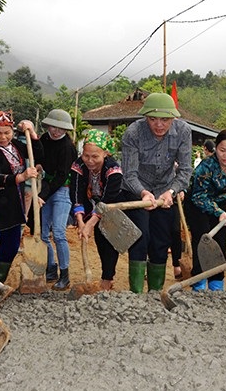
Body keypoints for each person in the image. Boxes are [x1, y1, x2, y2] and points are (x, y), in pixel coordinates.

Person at [120, 93, 192, 293]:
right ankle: (136, 294)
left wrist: (172, 191)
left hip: (165, 191)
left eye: (165, 120)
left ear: (173, 118)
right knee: (140, 237)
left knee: (161, 241)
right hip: (137, 190)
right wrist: (143, 193)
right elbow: (129, 174)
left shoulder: (184, 131)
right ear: (146, 118)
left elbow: (185, 170)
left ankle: (154, 293)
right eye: (153, 119)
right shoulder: (133, 133)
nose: (159, 125)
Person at [0, 111, 42, 288]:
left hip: (11, 203)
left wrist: (32, 133)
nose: (3, 137)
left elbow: (39, 154)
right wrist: (21, 177)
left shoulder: (17, 145)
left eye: (7, 132)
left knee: (10, 245)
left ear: (12, 131)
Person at [188, 129, 226, 291]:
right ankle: (198, 282)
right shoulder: (206, 167)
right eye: (222, 150)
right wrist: (218, 212)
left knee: (220, 242)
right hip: (198, 204)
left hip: (221, 204)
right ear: (216, 148)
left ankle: (216, 282)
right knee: (202, 240)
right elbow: (199, 196)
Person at [70, 130, 123, 291]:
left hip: (112, 204)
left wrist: (91, 223)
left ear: (105, 153)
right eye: (86, 156)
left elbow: (108, 199)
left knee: (106, 239)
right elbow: (76, 192)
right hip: (90, 201)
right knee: (98, 240)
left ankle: (108, 277)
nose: (90, 161)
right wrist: (80, 220)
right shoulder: (78, 165)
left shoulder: (113, 170)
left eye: (95, 157)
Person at [37, 109, 78, 290]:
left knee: (59, 233)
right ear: (47, 125)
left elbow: (62, 176)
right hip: (46, 187)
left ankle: (65, 274)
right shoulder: (44, 140)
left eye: (61, 129)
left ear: (66, 130)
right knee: (42, 233)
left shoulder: (67, 147)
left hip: (62, 190)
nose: (56, 131)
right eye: (53, 127)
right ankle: (50, 267)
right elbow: (38, 156)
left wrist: (42, 196)